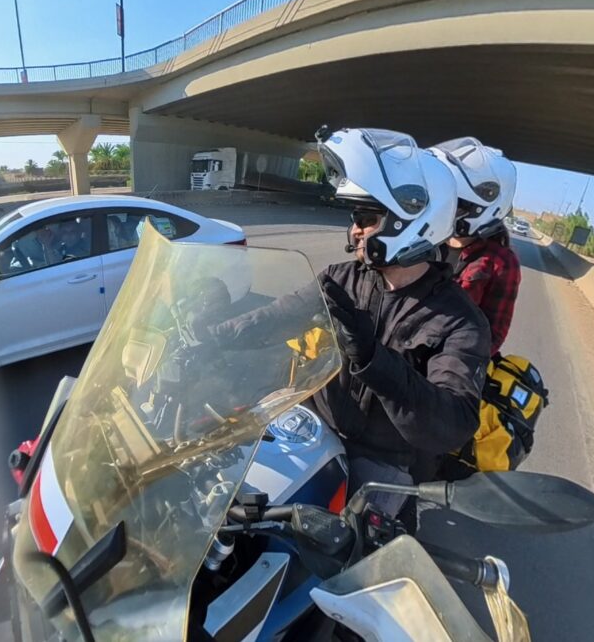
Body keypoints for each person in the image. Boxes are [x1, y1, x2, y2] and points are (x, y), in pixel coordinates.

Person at [210, 127, 491, 512]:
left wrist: (375, 361)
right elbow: (277, 317)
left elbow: (453, 422)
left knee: (350, 561)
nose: (354, 228)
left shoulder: (461, 322)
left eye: (366, 216)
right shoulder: (341, 279)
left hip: (380, 460)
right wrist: (211, 335)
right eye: (355, 215)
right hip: (310, 429)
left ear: (410, 219)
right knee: (229, 504)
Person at [430, 138, 521, 356]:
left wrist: (447, 368)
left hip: (441, 368)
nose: (447, 206)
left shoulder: (501, 262)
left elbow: (492, 335)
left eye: (458, 202)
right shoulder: (423, 239)